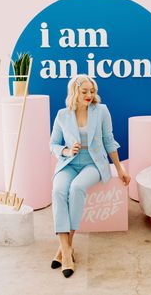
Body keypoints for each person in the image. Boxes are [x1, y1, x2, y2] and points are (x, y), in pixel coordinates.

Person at [50, 74, 131, 278]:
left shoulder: (101, 111)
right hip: (68, 163)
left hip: (93, 163)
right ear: (75, 92)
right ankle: (65, 248)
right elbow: (53, 144)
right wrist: (67, 151)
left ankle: (66, 253)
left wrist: (119, 169)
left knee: (76, 188)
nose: (89, 95)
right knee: (59, 190)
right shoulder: (62, 115)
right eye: (84, 91)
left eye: (92, 91)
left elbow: (109, 140)